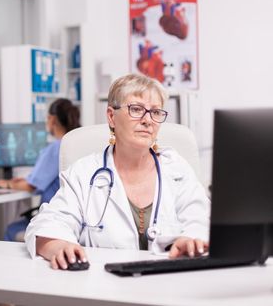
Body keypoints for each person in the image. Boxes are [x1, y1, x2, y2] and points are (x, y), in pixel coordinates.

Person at [24, 74, 210, 270]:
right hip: (104, 289)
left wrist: (191, 240)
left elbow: (201, 219)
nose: (148, 120)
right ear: (111, 117)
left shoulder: (177, 168)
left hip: (169, 287)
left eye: (155, 112)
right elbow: (49, 224)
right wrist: (60, 246)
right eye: (136, 109)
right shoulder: (84, 173)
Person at [0, 98, 81, 241]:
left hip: (55, 219)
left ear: (52, 120)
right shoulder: (76, 144)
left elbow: (32, 186)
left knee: (11, 229)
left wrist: (8, 184)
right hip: (75, 218)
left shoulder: (56, 148)